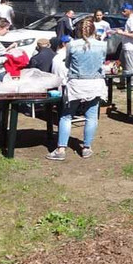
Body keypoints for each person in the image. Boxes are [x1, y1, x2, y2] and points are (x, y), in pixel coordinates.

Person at [47, 20, 106, 161]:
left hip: (76, 83)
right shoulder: (102, 45)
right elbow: (101, 62)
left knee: (66, 115)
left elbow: (67, 64)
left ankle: (61, 149)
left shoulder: (72, 45)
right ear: (93, 30)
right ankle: (86, 148)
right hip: (95, 83)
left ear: (77, 31)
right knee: (91, 116)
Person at [114, 3, 133, 87]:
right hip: (125, 46)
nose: (122, 12)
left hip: (130, 47)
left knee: (130, 66)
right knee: (121, 64)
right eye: (122, 11)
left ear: (130, 10)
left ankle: (132, 84)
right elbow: (129, 32)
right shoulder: (129, 19)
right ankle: (123, 81)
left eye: (124, 11)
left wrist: (122, 32)